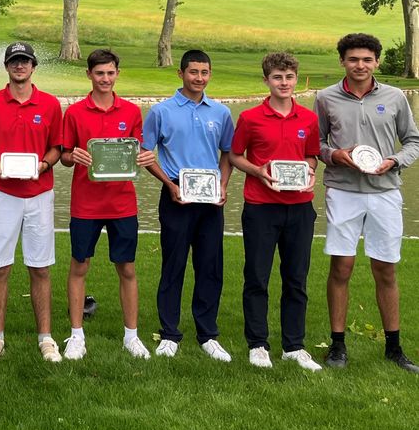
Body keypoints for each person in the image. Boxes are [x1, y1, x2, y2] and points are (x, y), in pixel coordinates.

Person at [315, 33, 419, 372]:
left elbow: (413, 141)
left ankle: (394, 348)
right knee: (341, 267)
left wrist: (395, 160)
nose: (360, 65)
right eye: (353, 59)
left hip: (385, 191)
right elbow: (316, 144)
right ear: (342, 61)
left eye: (366, 59)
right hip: (342, 191)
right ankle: (337, 346)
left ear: (376, 62)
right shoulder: (325, 98)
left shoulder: (394, 97)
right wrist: (334, 155)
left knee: (385, 269)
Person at [59, 49, 155, 360]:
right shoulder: (75, 113)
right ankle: (76, 335)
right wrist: (73, 155)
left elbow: (137, 151)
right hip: (85, 204)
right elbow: (64, 156)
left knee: (127, 268)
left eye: (110, 73)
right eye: (99, 73)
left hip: (122, 204)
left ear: (117, 74)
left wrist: (145, 157)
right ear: (89, 74)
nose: (105, 79)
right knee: (79, 266)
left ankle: (131, 336)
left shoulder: (131, 111)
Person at [228, 52, 321, 371]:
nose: (284, 83)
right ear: (266, 80)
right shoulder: (250, 117)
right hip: (261, 207)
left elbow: (311, 155)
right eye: (277, 77)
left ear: (297, 79)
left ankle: (294, 346)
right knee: (257, 276)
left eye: (289, 77)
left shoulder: (308, 119)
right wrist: (258, 171)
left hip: (300, 208)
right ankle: (258, 344)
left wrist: (310, 171)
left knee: (296, 278)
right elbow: (235, 155)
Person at [0, 41, 63, 363]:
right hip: (3, 193)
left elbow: (56, 147)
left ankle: (46, 338)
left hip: (39, 193)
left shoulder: (50, 104)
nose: (20, 66)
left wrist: (44, 165)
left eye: (25, 61)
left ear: (33, 67)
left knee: (40, 266)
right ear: (7, 67)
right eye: (14, 61)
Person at [143, 49, 234, 362]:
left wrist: (223, 185)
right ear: (180, 73)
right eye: (193, 72)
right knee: (174, 264)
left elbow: (228, 153)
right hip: (176, 195)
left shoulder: (221, 112)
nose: (199, 78)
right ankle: (169, 333)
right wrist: (168, 185)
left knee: (210, 266)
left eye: (204, 72)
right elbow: (145, 154)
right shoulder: (161, 112)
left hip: (210, 198)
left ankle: (208, 334)